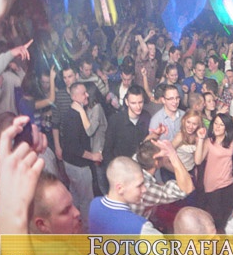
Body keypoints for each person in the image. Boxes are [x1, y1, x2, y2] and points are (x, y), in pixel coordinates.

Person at [60, 82, 103, 224]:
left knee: (75, 196)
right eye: (83, 93)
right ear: (74, 97)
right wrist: (93, 156)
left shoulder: (74, 112)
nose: (87, 95)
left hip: (71, 163)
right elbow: (75, 148)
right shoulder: (73, 118)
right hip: (78, 166)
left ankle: (74, 225)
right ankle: (87, 230)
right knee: (86, 201)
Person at [88, 156, 161, 235]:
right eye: (139, 185)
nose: (144, 189)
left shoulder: (94, 204)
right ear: (120, 188)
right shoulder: (141, 228)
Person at [200, 112, 233, 231]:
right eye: (215, 123)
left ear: (227, 127)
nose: (217, 127)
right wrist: (200, 140)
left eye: (221, 124)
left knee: (227, 213)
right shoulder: (209, 142)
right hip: (213, 184)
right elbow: (198, 160)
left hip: (228, 182)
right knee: (217, 216)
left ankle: (222, 236)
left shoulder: (231, 142)